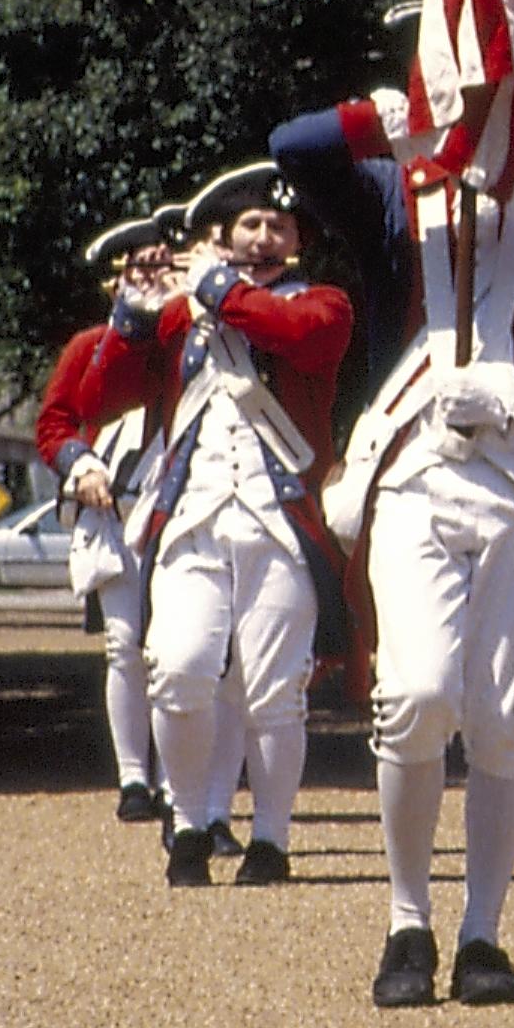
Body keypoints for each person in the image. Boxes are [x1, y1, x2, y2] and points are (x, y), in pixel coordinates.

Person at [270, 89, 514, 1009]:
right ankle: (405, 919)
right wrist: (386, 114)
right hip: (411, 473)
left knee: (507, 714)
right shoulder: (394, 194)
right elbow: (297, 148)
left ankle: (483, 933)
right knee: (416, 692)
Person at [99, 163, 353, 889]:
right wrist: (133, 314)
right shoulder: (182, 315)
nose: (265, 238)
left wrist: (212, 285)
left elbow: (297, 335)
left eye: (279, 227)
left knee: (275, 693)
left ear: (299, 240)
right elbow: (109, 392)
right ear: (223, 235)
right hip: (192, 517)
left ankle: (271, 839)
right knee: (177, 671)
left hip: (280, 521)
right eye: (250, 226)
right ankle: (186, 821)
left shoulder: (324, 302)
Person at [37, 203, 194, 826]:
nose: (153, 275)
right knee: (125, 645)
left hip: (181, 504)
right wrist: (81, 464)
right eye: (141, 266)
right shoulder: (88, 346)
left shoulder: (193, 339)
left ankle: (179, 779)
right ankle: (134, 777)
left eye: (163, 264)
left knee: (178, 650)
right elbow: (56, 422)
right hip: (115, 508)